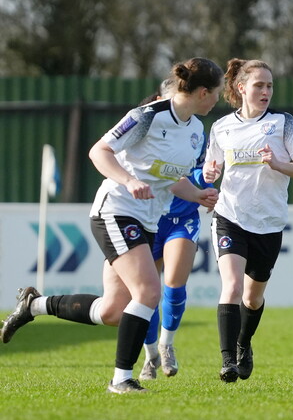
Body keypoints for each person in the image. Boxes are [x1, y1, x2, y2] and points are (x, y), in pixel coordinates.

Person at [1, 58, 223, 394]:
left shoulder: (195, 130)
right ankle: (122, 379)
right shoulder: (147, 115)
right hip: (116, 211)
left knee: (112, 311)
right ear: (203, 92)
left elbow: (170, 179)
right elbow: (99, 151)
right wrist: (128, 180)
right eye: (217, 93)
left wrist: (198, 195)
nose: (217, 100)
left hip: (146, 220)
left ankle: (33, 305)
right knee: (148, 292)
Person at [202, 58, 293, 383]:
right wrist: (209, 173)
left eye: (270, 86)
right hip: (230, 216)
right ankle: (227, 361)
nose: (266, 91)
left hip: (269, 222)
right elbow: (211, 168)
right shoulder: (222, 127)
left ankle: (243, 344)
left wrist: (279, 163)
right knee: (232, 287)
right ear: (241, 88)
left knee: (252, 297)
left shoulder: (282, 123)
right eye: (259, 85)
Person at [136, 79, 215, 381]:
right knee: (146, 292)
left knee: (174, 283)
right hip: (149, 216)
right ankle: (150, 354)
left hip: (182, 216)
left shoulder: (196, 130)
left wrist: (204, 179)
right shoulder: (145, 123)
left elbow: (195, 170)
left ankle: (167, 345)